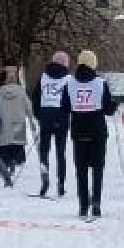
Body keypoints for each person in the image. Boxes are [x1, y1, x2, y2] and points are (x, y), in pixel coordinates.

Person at [67, 50, 113, 219]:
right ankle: (96, 204)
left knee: (81, 170)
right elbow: (108, 109)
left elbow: (65, 106)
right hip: (97, 131)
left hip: (78, 130)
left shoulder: (70, 83)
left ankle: (83, 205)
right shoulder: (100, 83)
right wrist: (112, 106)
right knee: (97, 169)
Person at [32, 52, 74, 199]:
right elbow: (71, 100)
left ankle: (44, 180)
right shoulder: (69, 79)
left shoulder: (43, 77)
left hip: (46, 115)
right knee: (60, 152)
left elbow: (35, 97)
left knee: (44, 151)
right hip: (61, 117)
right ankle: (61, 183)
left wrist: (39, 115)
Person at [0, 63, 31, 187]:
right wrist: (31, 116)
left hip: (4, 123)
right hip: (18, 122)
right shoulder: (21, 92)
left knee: (5, 146)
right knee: (16, 145)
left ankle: (7, 165)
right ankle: (14, 160)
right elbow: (28, 106)